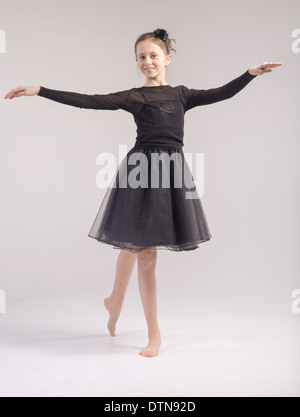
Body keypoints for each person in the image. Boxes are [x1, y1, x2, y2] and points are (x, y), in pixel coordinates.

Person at [4, 28, 283, 357]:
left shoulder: (182, 94)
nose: (147, 61)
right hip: (139, 173)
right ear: (136, 62)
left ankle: (117, 304)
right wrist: (40, 90)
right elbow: (89, 101)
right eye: (141, 56)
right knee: (142, 250)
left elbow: (222, 92)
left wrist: (251, 73)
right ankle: (149, 329)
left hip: (171, 174)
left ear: (167, 58)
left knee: (139, 249)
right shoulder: (134, 96)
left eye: (153, 55)